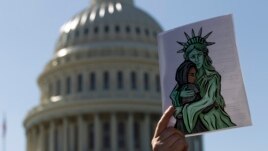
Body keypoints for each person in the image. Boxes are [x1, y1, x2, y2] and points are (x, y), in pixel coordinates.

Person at [171, 28, 236, 134]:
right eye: (192, 56)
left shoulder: (213, 76)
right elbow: (174, 94)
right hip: (189, 118)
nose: (196, 59)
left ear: (204, 56)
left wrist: (187, 110)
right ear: (188, 58)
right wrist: (180, 94)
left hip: (210, 117)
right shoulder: (186, 77)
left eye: (199, 55)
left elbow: (209, 99)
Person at [170, 60, 207, 134]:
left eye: (195, 74)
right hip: (182, 122)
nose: (195, 77)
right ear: (184, 74)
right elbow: (173, 96)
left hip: (193, 120)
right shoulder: (179, 88)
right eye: (192, 75)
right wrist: (180, 94)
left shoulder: (194, 87)